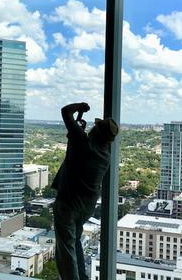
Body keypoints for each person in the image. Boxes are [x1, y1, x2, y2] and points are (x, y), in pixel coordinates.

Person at [51, 102, 119, 280]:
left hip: (68, 204)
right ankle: (82, 276)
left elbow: (65, 111)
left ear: (96, 132)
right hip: (85, 207)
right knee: (75, 243)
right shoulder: (104, 156)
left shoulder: (82, 142)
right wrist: (77, 132)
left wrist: (80, 106)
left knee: (65, 250)